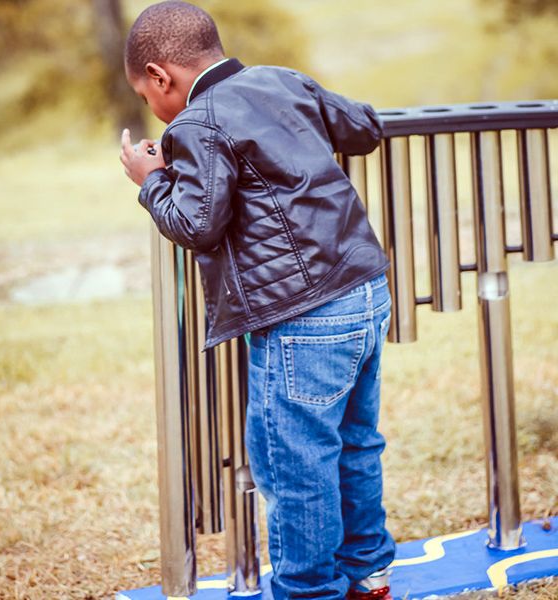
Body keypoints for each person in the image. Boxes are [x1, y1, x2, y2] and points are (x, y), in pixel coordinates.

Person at [120, 2, 395, 599]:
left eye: (147, 97)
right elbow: (364, 128)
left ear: (160, 76)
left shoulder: (193, 125)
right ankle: (369, 575)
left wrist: (151, 180)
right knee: (355, 444)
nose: (155, 109)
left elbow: (197, 224)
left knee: (295, 468)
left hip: (303, 318)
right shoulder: (280, 79)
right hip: (367, 293)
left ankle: (308, 591)